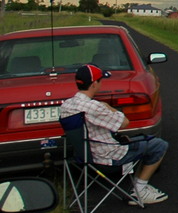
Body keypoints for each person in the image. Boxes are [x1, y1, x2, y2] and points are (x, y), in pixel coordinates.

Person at [59, 63, 170, 205]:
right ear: (94, 84)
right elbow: (124, 122)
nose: (101, 84)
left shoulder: (66, 105)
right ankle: (140, 190)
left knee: (134, 140)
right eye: (100, 81)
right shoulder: (94, 107)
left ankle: (139, 188)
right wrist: (108, 107)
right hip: (108, 157)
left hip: (84, 156)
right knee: (159, 145)